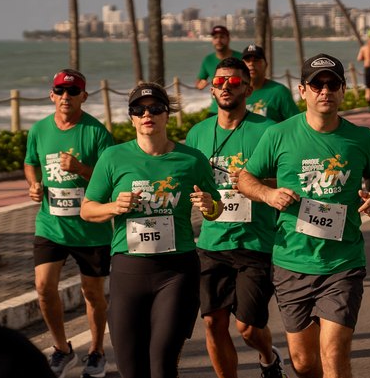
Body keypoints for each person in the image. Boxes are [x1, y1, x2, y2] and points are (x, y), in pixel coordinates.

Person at [238, 53, 370, 378]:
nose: (325, 90)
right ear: (302, 90)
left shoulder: (360, 138)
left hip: (343, 262)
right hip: (291, 261)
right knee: (305, 364)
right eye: (317, 84)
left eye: (332, 83)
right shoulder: (278, 135)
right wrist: (268, 193)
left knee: (334, 355)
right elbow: (245, 178)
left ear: (343, 89)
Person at [81, 83, 222, 378]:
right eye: (139, 109)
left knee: (161, 365)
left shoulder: (191, 159)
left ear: (166, 115)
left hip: (176, 271)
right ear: (131, 117)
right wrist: (113, 207)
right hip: (128, 270)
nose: (148, 114)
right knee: (131, 369)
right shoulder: (113, 157)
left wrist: (209, 205)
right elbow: (87, 209)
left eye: (155, 108)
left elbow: (215, 209)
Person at [185, 58, 286, 378]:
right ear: (211, 89)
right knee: (213, 322)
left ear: (248, 87)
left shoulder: (268, 130)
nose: (225, 87)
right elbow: (189, 182)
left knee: (248, 328)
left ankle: (269, 358)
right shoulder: (198, 133)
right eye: (218, 82)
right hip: (212, 241)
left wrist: (254, 184)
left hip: (255, 241)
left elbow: (288, 180)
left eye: (233, 82)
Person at [24, 69, 113, 378]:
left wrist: (79, 167)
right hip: (51, 225)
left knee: (93, 294)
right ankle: (62, 349)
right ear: (52, 95)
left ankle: (97, 352)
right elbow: (30, 162)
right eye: (60, 91)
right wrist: (34, 185)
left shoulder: (97, 132)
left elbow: (109, 179)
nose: (65, 97)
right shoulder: (39, 130)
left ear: (83, 97)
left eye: (72, 92)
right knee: (44, 287)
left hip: (91, 228)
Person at [241, 44, 300, 123]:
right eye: (247, 60)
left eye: (256, 60)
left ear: (266, 65)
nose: (251, 64)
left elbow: (295, 123)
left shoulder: (279, 91)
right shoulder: (235, 91)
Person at [197, 25, 243, 90]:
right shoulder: (208, 60)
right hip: (216, 99)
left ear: (228, 39)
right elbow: (199, 81)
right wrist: (200, 85)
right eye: (215, 37)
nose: (218, 40)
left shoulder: (241, 58)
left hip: (238, 99)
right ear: (212, 40)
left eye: (222, 37)